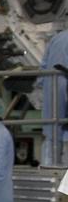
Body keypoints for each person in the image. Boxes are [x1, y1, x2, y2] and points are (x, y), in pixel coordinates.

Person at [39, 28, 68, 165]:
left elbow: (43, 69)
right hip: (62, 86)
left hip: (52, 87)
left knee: (51, 137)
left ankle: (49, 170)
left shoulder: (57, 38)